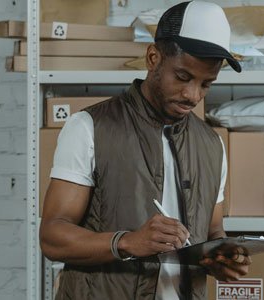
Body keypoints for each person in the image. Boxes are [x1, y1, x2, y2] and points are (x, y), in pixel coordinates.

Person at [40, 1, 251, 299]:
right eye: (182, 77)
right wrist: (127, 242)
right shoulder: (89, 127)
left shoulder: (211, 144)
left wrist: (222, 256)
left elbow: (214, 231)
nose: (193, 95)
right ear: (153, 57)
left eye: (207, 84)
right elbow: (52, 238)